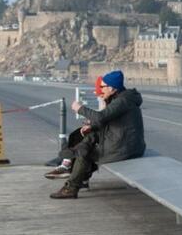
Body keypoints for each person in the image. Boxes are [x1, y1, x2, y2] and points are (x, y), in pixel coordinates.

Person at [50, 70, 146, 199]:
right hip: (126, 144)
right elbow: (107, 121)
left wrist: (80, 108)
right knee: (88, 137)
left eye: (102, 87)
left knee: (85, 154)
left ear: (112, 88)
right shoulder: (122, 98)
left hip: (125, 149)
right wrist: (91, 126)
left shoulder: (122, 101)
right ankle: (77, 174)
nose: (100, 90)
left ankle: (71, 187)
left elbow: (101, 117)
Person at [45, 75, 104, 179]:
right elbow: (102, 117)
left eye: (101, 92)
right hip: (108, 134)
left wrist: (91, 123)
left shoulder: (114, 102)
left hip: (111, 139)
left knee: (84, 144)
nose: (99, 95)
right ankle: (68, 164)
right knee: (77, 135)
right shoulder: (109, 99)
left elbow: (104, 118)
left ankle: (68, 166)